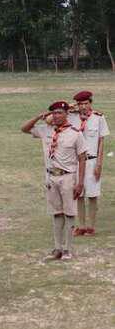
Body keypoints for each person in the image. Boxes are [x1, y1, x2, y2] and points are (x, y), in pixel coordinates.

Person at [21, 100, 87, 260]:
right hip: (51, 177)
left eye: (59, 113)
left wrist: (80, 183)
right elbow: (24, 128)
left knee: (69, 213)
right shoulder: (46, 131)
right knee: (56, 213)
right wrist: (39, 116)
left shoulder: (75, 133)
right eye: (54, 113)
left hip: (68, 176)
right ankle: (57, 247)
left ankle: (68, 249)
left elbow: (82, 158)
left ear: (67, 114)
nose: (56, 116)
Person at [68, 90, 108, 236]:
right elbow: (51, 116)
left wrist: (99, 164)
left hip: (91, 160)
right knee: (78, 193)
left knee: (92, 194)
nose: (83, 107)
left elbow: (101, 142)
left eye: (86, 103)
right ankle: (81, 226)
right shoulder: (72, 117)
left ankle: (91, 226)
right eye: (80, 104)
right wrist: (70, 107)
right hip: (76, 161)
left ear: (90, 103)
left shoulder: (98, 118)